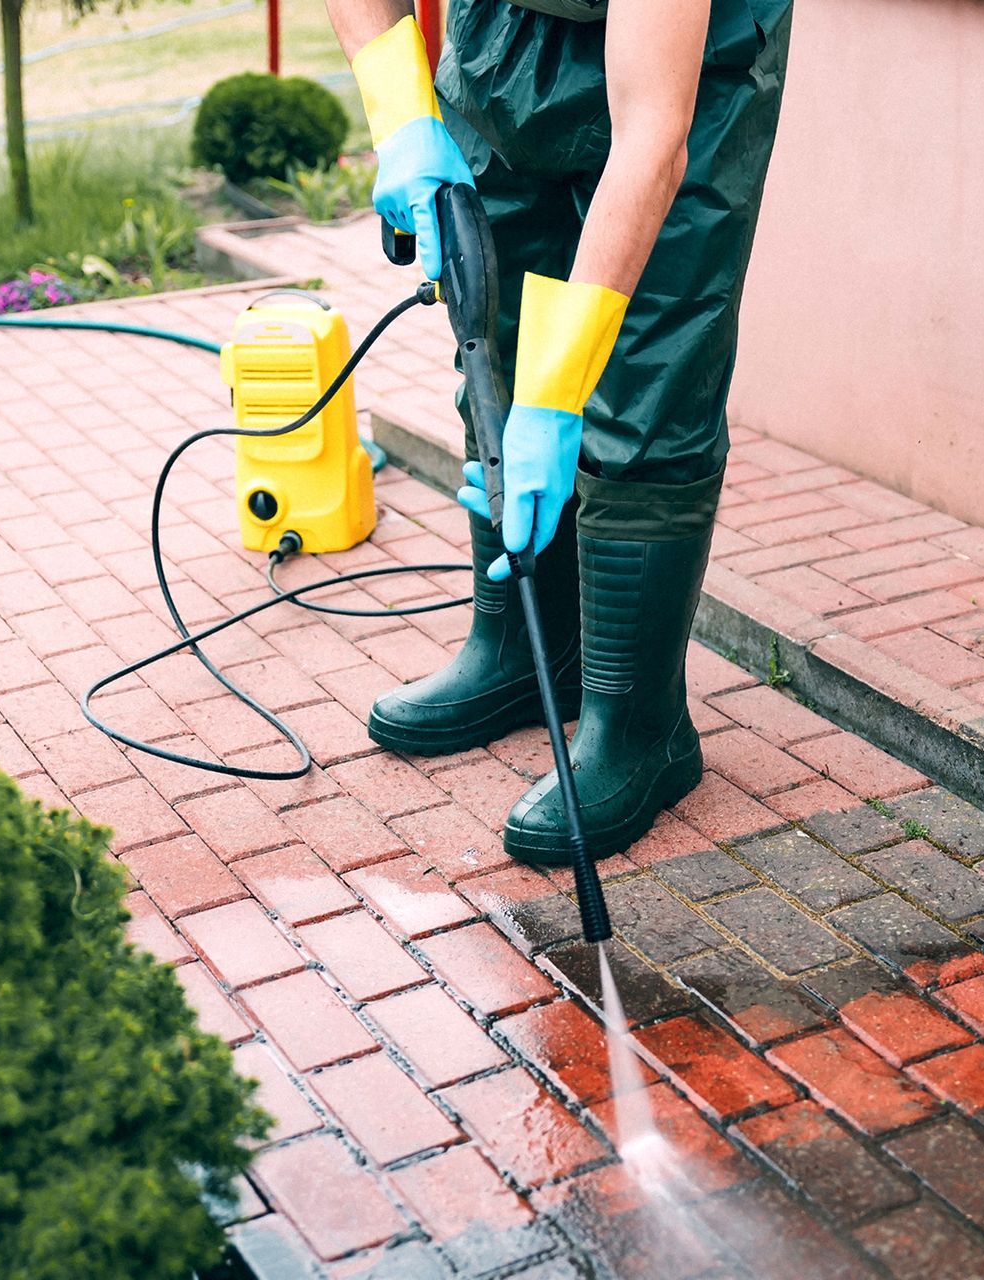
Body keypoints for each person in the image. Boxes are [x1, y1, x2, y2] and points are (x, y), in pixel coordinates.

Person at [331, 0, 791, 864]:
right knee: (494, 325)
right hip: (505, 37)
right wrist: (397, 112)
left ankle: (638, 723)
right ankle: (516, 646)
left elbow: (652, 134)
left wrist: (559, 396)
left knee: (647, 369)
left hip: (690, 61)